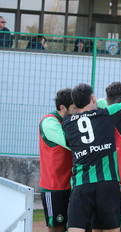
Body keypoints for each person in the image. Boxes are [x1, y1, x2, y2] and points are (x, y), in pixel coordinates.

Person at [63, 83, 121, 232]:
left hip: (82, 183)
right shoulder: (106, 114)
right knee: (111, 229)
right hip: (107, 182)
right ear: (93, 98)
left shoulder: (67, 123)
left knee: (77, 228)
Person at [39, 88, 77, 232]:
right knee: (57, 228)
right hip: (54, 186)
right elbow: (70, 143)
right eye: (74, 107)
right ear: (62, 107)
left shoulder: (72, 119)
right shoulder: (49, 122)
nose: (77, 110)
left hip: (73, 184)